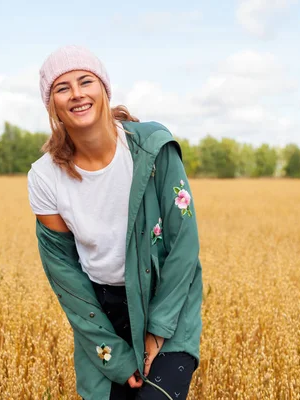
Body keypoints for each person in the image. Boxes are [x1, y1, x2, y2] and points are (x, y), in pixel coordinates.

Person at [27, 45, 203, 400]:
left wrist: (157, 329)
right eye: (62, 88)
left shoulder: (153, 147)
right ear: (52, 105)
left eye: (85, 81)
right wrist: (116, 356)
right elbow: (63, 272)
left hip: (164, 299)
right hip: (100, 315)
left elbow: (183, 243)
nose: (77, 94)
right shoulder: (44, 178)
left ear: (104, 89)